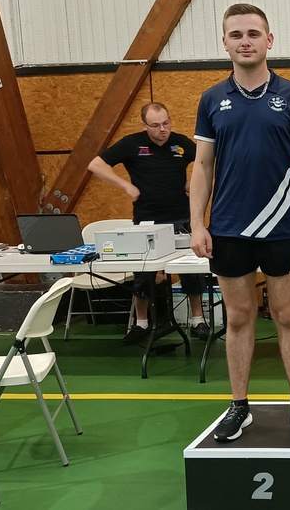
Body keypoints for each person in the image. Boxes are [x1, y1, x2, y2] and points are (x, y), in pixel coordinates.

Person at [189, 3, 290, 442]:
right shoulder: (212, 99)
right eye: (236, 35)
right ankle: (239, 406)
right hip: (228, 229)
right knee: (239, 317)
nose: (244, 41)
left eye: (253, 33)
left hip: (283, 228)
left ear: (269, 40)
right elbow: (203, 166)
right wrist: (197, 225)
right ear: (224, 43)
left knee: (287, 314)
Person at [87, 102, 207, 343]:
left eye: (166, 123)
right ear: (144, 126)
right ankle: (140, 324)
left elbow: (207, 162)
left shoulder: (181, 143)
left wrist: (192, 182)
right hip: (147, 221)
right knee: (143, 275)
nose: (162, 129)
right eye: (155, 125)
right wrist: (125, 185)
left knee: (191, 272)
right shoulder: (132, 144)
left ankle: (198, 320)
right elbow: (95, 165)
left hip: (180, 218)